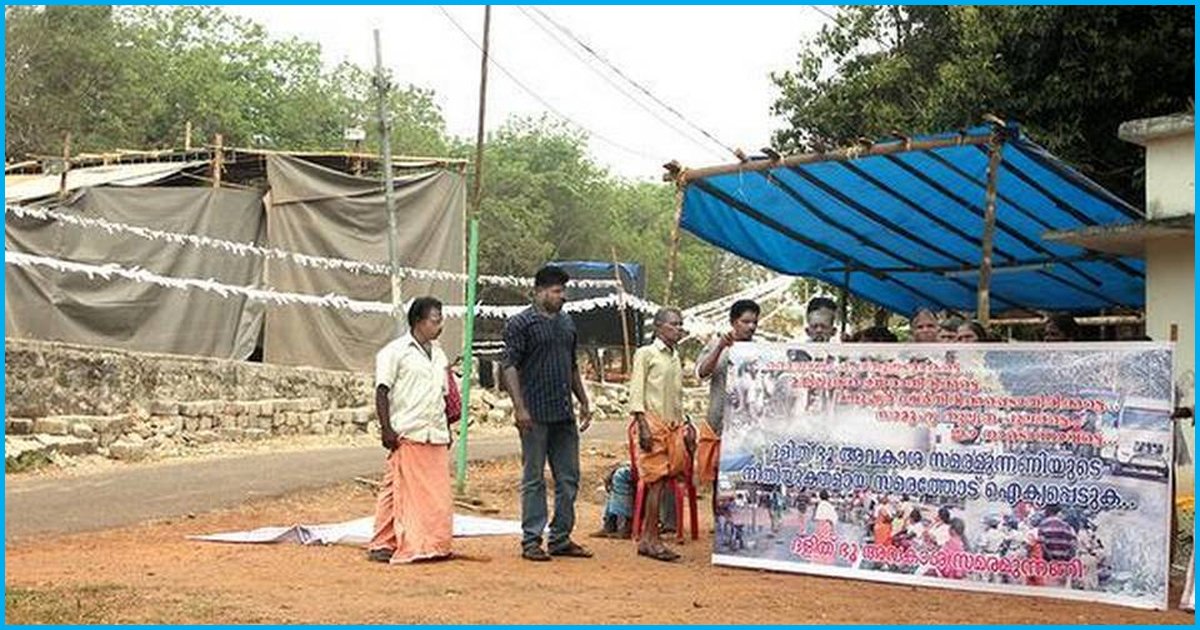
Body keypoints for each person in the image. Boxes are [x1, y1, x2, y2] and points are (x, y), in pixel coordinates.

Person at [502, 265, 593, 562]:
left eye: (563, 291)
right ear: (539, 292)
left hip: (563, 413)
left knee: (569, 478)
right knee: (534, 478)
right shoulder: (521, 324)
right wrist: (520, 407)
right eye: (556, 291)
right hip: (534, 414)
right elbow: (509, 366)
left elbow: (572, 366)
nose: (562, 297)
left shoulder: (567, 324)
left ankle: (561, 537)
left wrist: (583, 401)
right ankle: (531, 540)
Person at [367, 297, 456, 564]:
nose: (439, 326)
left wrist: (447, 430)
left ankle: (431, 541)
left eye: (441, 320)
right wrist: (387, 428)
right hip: (408, 430)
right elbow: (382, 390)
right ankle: (388, 542)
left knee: (432, 494)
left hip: (434, 433)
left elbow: (443, 396)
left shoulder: (439, 355)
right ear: (418, 321)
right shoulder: (394, 352)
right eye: (435, 320)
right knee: (400, 490)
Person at [630, 307, 690, 562]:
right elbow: (636, 391)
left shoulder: (675, 357)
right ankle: (651, 539)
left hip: (672, 427)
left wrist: (686, 424)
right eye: (673, 324)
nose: (678, 329)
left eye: (680, 325)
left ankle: (649, 538)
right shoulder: (646, 354)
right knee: (655, 482)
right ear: (658, 327)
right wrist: (642, 424)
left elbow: (677, 395)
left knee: (665, 481)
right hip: (652, 425)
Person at [695, 299, 760, 523]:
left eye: (754, 322)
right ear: (733, 322)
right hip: (719, 422)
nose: (751, 327)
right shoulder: (717, 344)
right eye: (745, 321)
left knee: (743, 475)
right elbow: (701, 372)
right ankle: (719, 523)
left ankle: (739, 521)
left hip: (747, 424)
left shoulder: (760, 350)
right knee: (719, 475)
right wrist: (721, 347)